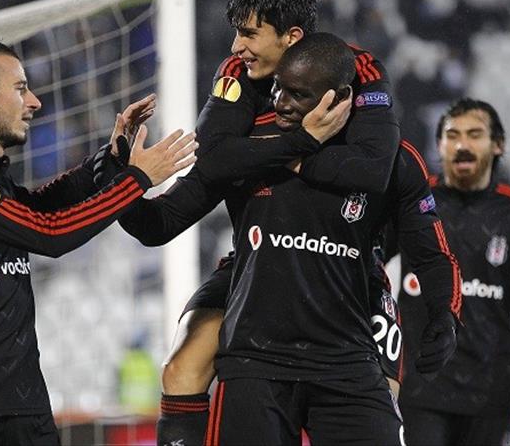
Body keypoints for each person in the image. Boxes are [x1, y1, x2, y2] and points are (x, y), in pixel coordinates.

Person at [121, 32, 461, 444]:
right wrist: (123, 180)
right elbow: (160, 223)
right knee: (181, 369)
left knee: (385, 397)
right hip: (256, 331)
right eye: (278, 88)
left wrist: (445, 315)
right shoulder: (247, 148)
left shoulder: (388, 159)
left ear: (339, 97)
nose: (281, 102)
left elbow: (432, 253)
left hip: (351, 319)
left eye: (297, 94)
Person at [0, 35, 197, 446]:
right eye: (21, 89)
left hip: (24, 405)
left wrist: (110, 159)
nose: (34, 101)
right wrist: (137, 179)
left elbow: (38, 204)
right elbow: (49, 233)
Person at [396, 98, 510, 445]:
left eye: (475, 134)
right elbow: (370, 260)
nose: (462, 145)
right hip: (421, 389)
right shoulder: (415, 200)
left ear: (498, 145)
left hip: (491, 393)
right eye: (452, 135)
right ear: (439, 145)